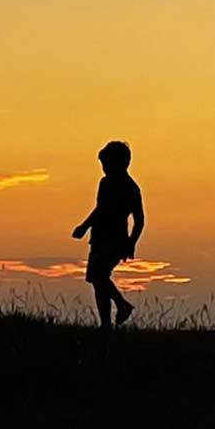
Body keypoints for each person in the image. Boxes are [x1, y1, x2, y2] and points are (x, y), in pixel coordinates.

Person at [72, 140, 145, 328]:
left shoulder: (131, 188)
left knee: (98, 276)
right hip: (98, 236)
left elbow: (139, 219)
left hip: (116, 239)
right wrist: (84, 226)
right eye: (103, 164)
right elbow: (100, 209)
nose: (104, 168)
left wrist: (131, 242)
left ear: (122, 163)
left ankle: (122, 305)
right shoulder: (104, 183)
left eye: (107, 163)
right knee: (97, 280)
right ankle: (105, 324)